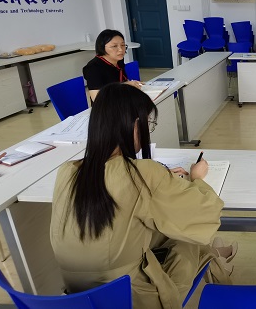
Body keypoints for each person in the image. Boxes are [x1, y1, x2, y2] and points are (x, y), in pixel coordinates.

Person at [50, 83, 235, 308]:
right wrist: (197, 178)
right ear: (135, 125)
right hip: (133, 298)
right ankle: (219, 264)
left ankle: (218, 260)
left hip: (78, 298)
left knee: (162, 227)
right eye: (148, 123)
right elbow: (205, 213)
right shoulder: (143, 174)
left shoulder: (67, 171)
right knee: (189, 237)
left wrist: (161, 180)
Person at [83, 29, 141, 101]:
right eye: (114, 46)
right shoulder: (93, 68)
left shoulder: (118, 60)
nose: (121, 49)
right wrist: (126, 85)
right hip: (107, 105)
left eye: (123, 45)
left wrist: (133, 84)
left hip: (122, 98)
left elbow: (123, 80)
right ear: (102, 47)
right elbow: (97, 99)